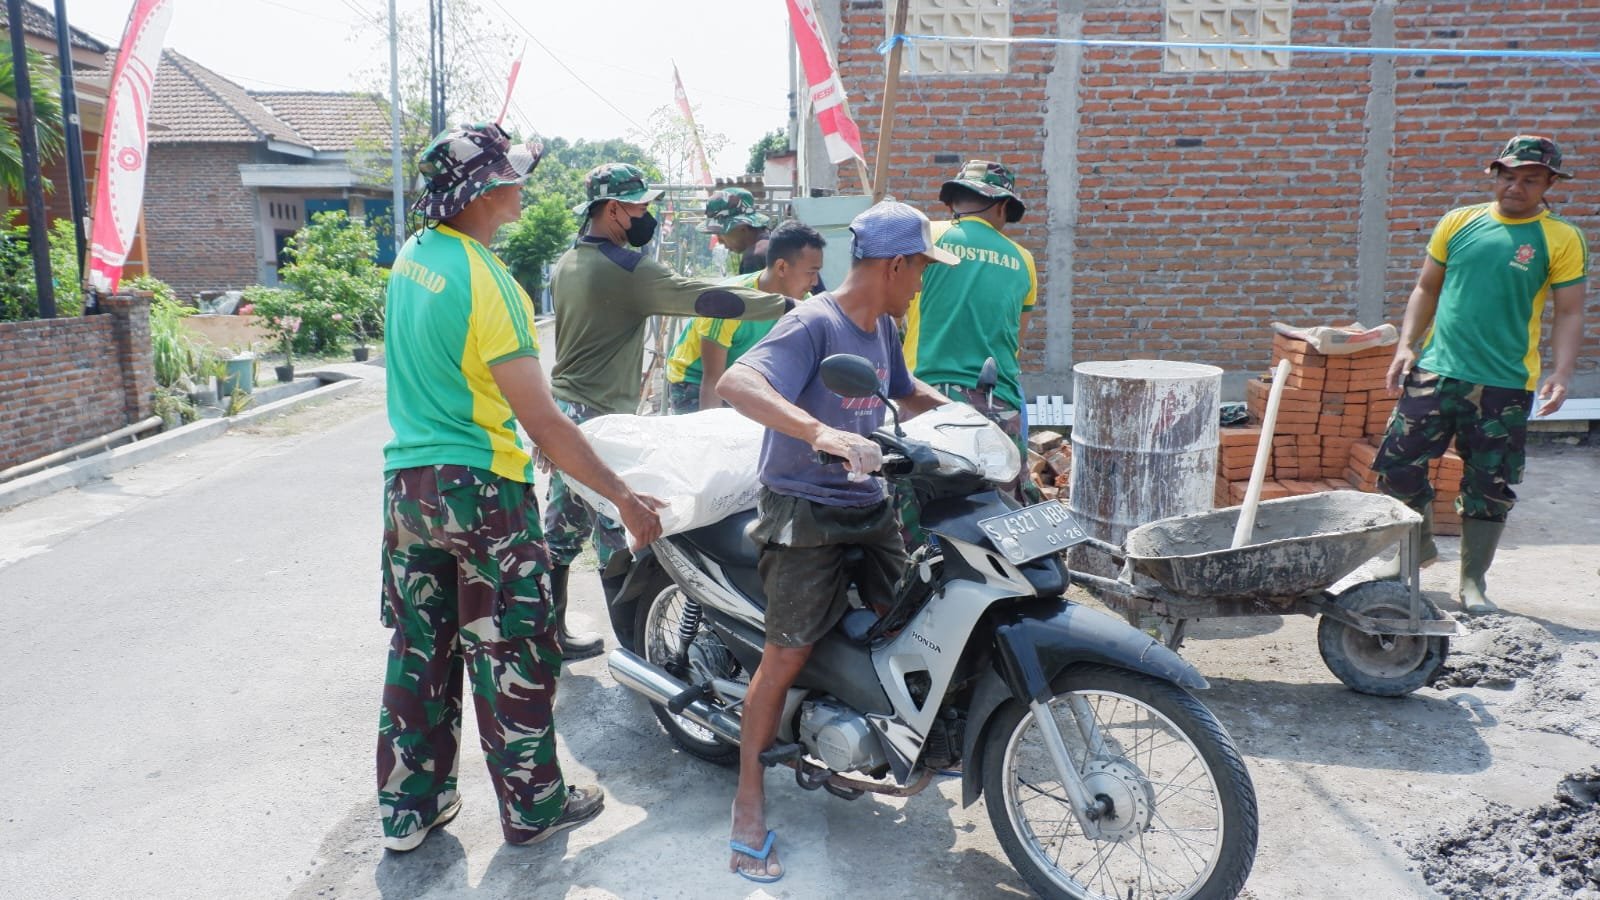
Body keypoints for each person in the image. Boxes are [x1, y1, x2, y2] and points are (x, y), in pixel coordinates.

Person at [377, 123, 664, 851]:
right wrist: (622, 494)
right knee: (512, 648)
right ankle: (535, 805)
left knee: (421, 647)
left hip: (408, 488)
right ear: (485, 191)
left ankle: (409, 810)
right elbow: (543, 423)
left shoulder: (412, 258)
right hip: (481, 488)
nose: (523, 186)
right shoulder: (486, 279)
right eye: (513, 176)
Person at [716, 201, 955, 882]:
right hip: (805, 507)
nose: (922, 283)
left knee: (913, 621)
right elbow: (739, 382)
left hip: (869, 502)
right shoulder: (812, 323)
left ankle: (868, 739)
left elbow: (905, 396)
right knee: (787, 652)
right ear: (896, 264)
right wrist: (821, 434)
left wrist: (971, 420)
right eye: (921, 271)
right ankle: (749, 801)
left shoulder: (885, 326)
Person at [544, 164, 797, 659]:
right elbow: (704, 298)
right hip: (598, 419)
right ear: (612, 210)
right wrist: (789, 307)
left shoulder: (568, 261)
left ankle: (551, 635)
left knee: (563, 529)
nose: (647, 214)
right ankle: (637, 652)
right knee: (622, 528)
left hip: (565, 411)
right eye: (638, 206)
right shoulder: (625, 269)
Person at [1372, 134, 1587, 614]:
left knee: (1488, 483)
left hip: (1505, 382)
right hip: (1437, 370)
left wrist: (1562, 371)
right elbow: (1426, 287)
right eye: (1508, 176)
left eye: (1530, 179)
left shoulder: (1561, 238)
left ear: (1550, 182)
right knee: (1397, 466)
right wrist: (1407, 344)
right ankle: (1414, 551)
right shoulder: (1459, 222)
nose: (1515, 187)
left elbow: (1570, 311)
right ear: (1496, 176)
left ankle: (1473, 583)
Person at [901, 160, 1040, 504]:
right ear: (1003, 206)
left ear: (953, 202)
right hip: (998, 401)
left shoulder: (926, 238)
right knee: (1001, 510)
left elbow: (892, 307)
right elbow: (1015, 341)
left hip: (924, 395)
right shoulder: (1023, 259)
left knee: (919, 506)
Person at [664, 221, 827, 414]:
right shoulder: (730, 302)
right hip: (694, 381)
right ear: (782, 267)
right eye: (811, 272)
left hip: (742, 378)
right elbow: (712, 381)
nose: (815, 282)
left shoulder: (803, 305)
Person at [699, 187, 772, 274]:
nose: (719, 241)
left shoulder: (754, 258)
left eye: (720, 233)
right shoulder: (775, 243)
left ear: (742, 228)